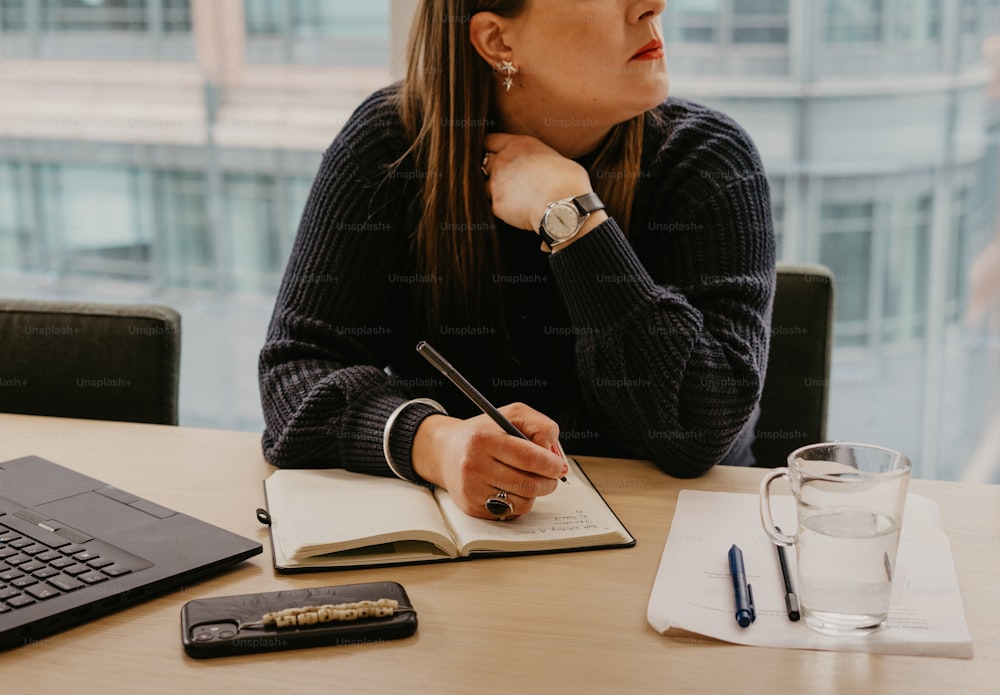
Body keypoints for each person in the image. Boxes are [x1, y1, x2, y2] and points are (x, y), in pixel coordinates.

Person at [258, 0, 775, 520]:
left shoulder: (707, 161)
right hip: (476, 543)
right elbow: (295, 368)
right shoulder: (394, 145)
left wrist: (574, 220)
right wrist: (436, 443)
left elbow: (697, 430)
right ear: (498, 42)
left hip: (672, 547)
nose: (652, 5)